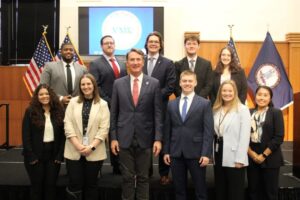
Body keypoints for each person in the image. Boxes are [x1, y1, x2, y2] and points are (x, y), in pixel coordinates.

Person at [110, 48, 162, 200]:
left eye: (138, 59)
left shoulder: (154, 83)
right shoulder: (118, 84)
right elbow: (114, 113)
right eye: (132, 60)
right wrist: (113, 137)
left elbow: (158, 113)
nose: (135, 62)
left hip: (145, 138)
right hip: (123, 137)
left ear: (143, 62)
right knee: (126, 178)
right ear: (127, 63)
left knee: (143, 177)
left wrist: (158, 138)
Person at [163, 70, 214, 200]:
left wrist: (206, 154)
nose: (187, 83)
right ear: (180, 83)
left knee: (200, 190)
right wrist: (166, 151)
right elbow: (167, 129)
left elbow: (208, 131)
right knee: (179, 191)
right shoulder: (171, 104)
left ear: (195, 83)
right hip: (175, 153)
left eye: (190, 81)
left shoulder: (204, 103)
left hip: (197, 153)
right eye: (184, 81)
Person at [64, 73, 110, 200]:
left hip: (94, 151)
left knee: (91, 184)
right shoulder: (73, 102)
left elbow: (104, 129)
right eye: (83, 84)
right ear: (80, 87)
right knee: (74, 183)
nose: (86, 86)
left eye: (88, 84)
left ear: (94, 86)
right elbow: (67, 125)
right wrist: (78, 146)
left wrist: (91, 147)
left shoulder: (103, 104)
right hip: (74, 149)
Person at [89, 35, 127, 175]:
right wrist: (109, 100)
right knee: (110, 134)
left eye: (112, 43)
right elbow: (95, 85)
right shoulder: (95, 64)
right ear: (101, 46)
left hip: (123, 105)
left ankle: (120, 164)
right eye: (106, 43)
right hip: (106, 105)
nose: (109, 45)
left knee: (120, 134)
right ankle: (111, 166)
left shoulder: (122, 62)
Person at [143, 31, 176, 184]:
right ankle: (146, 172)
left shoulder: (168, 63)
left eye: (156, 41)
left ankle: (164, 173)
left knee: (162, 139)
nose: (154, 44)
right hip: (141, 109)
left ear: (161, 45)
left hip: (161, 109)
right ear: (146, 44)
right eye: (151, 41)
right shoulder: (139, 60)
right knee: (144, 142)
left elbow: (170, 86)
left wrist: (153, 98)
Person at [22, 84, 65, 200]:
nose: (44, 96)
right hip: (35, 156)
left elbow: (63, 136)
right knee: (37, 187)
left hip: (53, 156)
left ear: (51, 95)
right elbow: (26, 136)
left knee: (50, 187)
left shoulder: (59, 111)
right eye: (41, 94)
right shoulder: (30, 111)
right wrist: (31, 156)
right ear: (37, 96)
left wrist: (60, 155)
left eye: (47, 94)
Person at [213, 80, 251, 200]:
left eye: (230, 91)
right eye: (224, 90)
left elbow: (244, 136)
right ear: (220, 92)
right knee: (220, 189)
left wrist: (240, 158)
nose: (227, 93)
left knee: (235, 192)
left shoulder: (243, 109)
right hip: (218, 153)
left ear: (235, 92)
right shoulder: (216, 109)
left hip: (235, 156)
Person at [247, 85, 284, 200]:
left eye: (265, 95)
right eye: (259, 94)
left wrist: (263, 155)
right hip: (251, 157)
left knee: (270, 193)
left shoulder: (276, 112)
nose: (262, 97)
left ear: (270, 98)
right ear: (255, 96)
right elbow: (242, 136)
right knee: (253, 191)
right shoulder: (248, 112)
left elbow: (278, 137)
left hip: (270, 157)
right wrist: (252, 154)